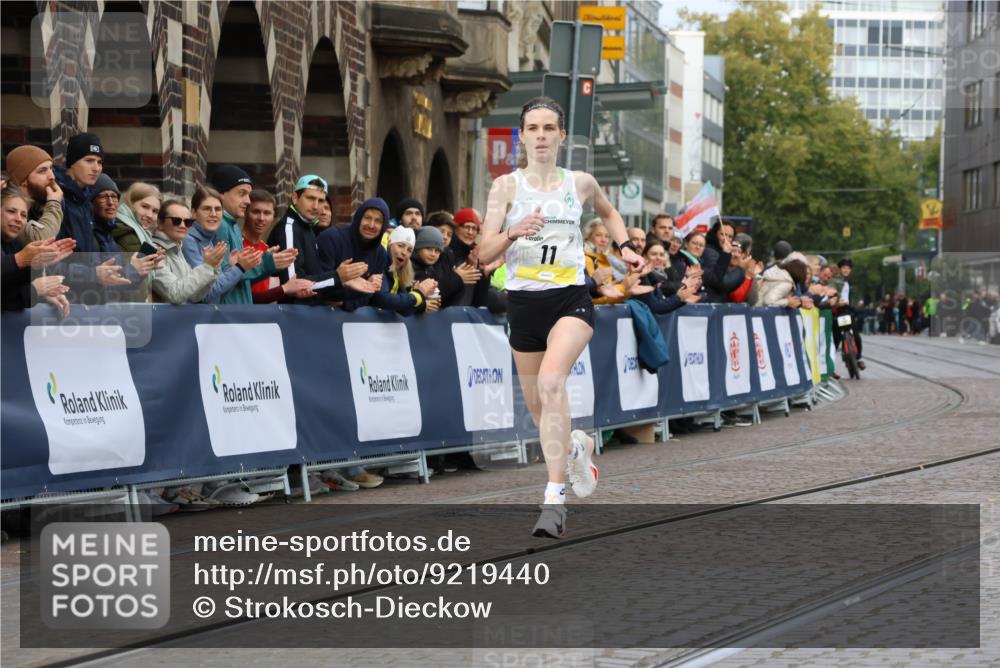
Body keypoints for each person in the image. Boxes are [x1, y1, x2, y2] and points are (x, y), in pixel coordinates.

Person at [476, 97, 644, 538]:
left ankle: (553, 500)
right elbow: (483, 255)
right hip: (523, 304)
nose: (542, 136)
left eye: (549, 128)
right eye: (533, 128)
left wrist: (625, 248)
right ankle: (576, 445)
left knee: (553, 383)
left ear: (562, 135)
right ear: (523, 135)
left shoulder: (581, 183)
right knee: (540, 409)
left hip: (570, 300)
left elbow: (608, 212)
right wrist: (513, 231)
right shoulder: (505, 188)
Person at [208, 164, 297, 304]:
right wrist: (266, 264)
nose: (248, 201)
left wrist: (268, 263)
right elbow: (224, 277)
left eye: (248, 195)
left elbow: (241, 280)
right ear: (222, 194)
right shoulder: (220, 225)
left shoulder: (232, 225)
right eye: (242, 193)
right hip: (227, 314)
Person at [1, 184, 74, 316]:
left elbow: (10, 293)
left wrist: (42, 292)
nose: (18, 219)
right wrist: (21, 260)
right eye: (11, 211)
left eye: (24, 215)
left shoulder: (14, 243)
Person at [182, 186, 264, 303]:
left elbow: (219, 296)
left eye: (218, 209)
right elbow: (206, 295)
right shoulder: (188, 241)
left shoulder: (209, 240)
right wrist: (239, 268)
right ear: (194, 213)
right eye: (207, 209)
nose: (213, 214)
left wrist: (231, 268)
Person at [315, 197, 390, 312]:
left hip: (352, 321)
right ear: (359, 218)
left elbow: (369, 296)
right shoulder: (331, 238)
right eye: (367, 218)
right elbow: (317, 288)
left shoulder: (380, 253)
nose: (371, 225)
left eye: (378, 221)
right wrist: (342, 280)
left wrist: (345, 303)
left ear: (384, 226)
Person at [151, 199, 227, 304]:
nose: (183, 226)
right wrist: (207, 267)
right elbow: (174, 294)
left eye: (188, 222)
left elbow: (195, 296)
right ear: (160, 223)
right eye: (176, 220)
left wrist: (212, 267)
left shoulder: (177, 249)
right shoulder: (153, 251)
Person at [3, 145, 64, 243]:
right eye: (42, 171)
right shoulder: (8, 204)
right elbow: (38, 238)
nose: (52, 176)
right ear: (23, 180)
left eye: (51, 168)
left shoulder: (37, 205)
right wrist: (54, 203)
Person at [375, 226, 437, 316]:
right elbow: (384, 300)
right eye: (400, 246)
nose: (404, 252)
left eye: (409, 250)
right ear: (390, 244)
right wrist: (417, 295)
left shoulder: (398, 272)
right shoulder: (379, 263)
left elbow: (404, 312)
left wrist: (418, 294)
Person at [410, 225, 461, 310]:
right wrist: (422, 306)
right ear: (417, 248)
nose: (433, 254)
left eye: (437, 251)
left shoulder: (432, 270)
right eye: (428, 248)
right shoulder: (408, 267)